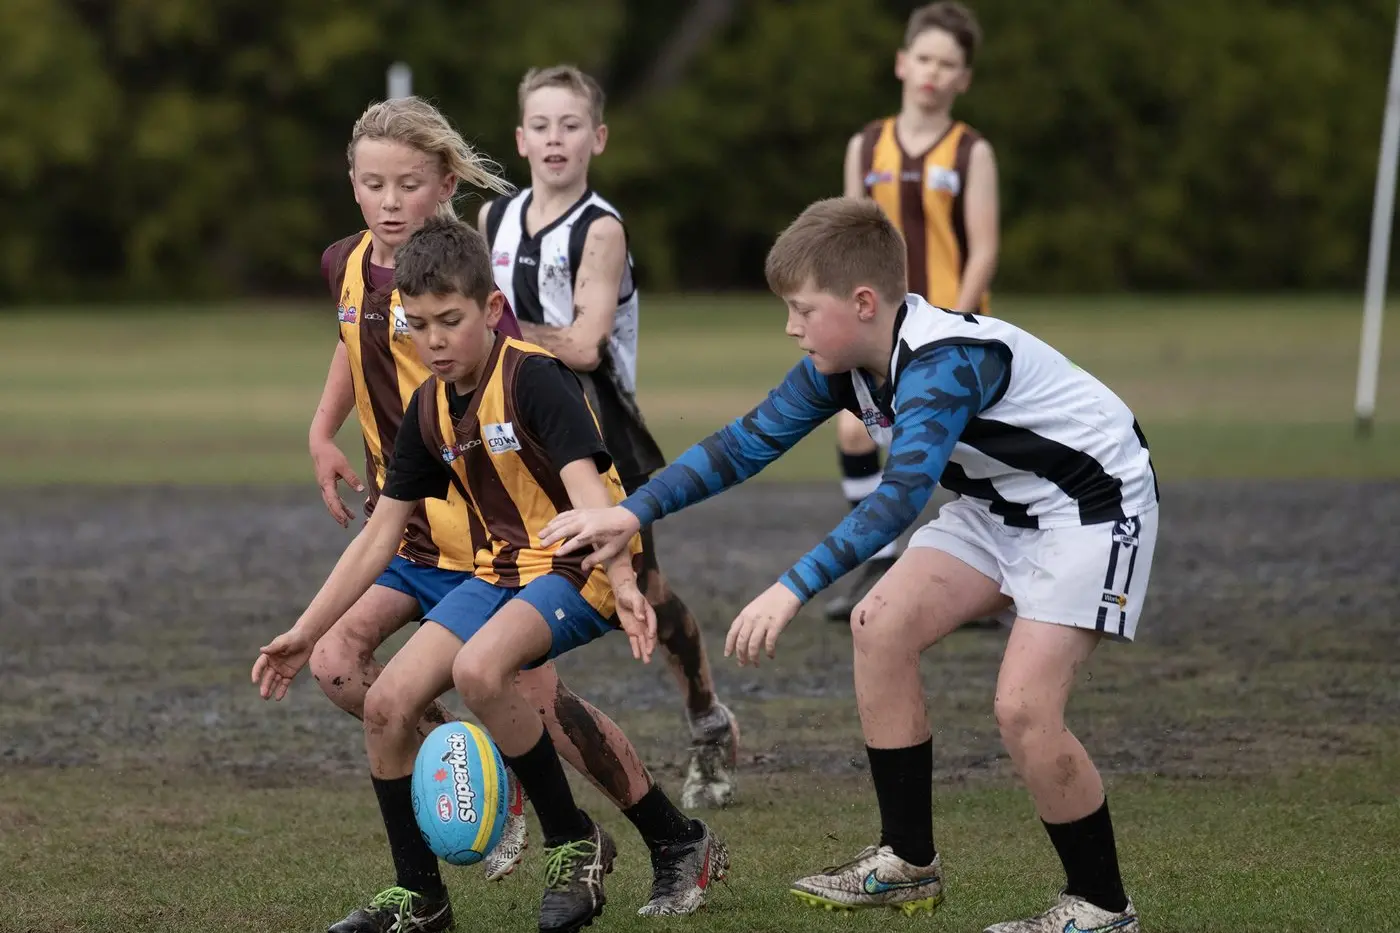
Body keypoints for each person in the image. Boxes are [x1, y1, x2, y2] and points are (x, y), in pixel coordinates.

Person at [541, 198, 1158, 933]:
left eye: (802, 309)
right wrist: (630, 510)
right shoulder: (846, 362)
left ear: (863, 303)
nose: (791, 326)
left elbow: (898, 500)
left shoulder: (942, 363)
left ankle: (1101, 904)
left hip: (1090, 507)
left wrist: (790, 587)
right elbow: (743, 444)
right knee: (879, 622)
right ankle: (908, 860)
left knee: (1024, 706)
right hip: (1001, 505)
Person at [275, 98, 725, 931]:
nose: (388, 198)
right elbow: (356, 357)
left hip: (524, 547)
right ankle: (431, 873)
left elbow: (588, 489)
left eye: (407, 183)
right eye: (372, 183)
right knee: (366, 684)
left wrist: (624, 576)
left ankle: (644, 836)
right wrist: (318, 438)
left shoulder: (508, 356)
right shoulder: (374, 308)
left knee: (515, 690)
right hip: (456, 543)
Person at [477, 64, 739, 809]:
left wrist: (489, 330)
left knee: (646, 588)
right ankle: (522, 769)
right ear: (520, 137)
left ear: (597, 137)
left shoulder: (600, 228)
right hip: (509, 428)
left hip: (600, 431)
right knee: (503, 582)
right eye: (541, 125)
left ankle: (707, 718)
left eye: (570, 125)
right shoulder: (493, 218)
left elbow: (587, 346)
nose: (555, 139)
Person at [825, 1, 1001, 622]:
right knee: (854, 427)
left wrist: (951, 320)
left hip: (948, 327)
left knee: (966, 454)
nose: (932, 71)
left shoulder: (969, 152)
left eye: (947, 63)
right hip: (880, 325)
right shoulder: (867, 145)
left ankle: (994, 577)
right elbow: (847, 237)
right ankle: (881, 559)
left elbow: (982, 248)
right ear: (902, 63)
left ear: (963, 79)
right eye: (924, 57)